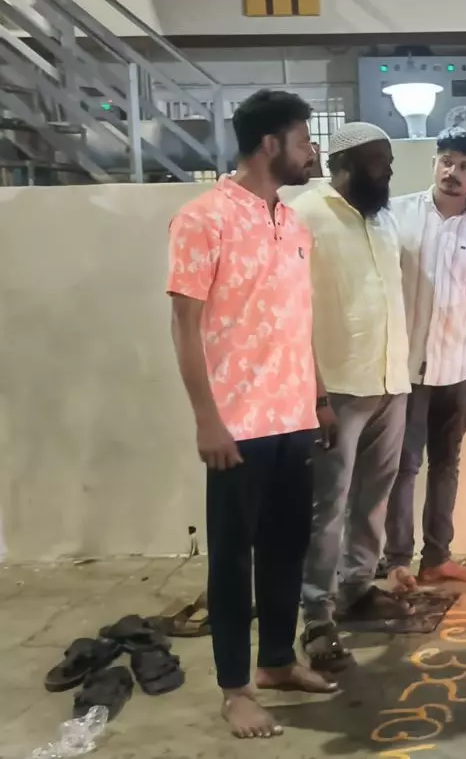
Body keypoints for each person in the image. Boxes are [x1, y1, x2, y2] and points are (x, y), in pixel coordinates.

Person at [166, 89, 338, 739]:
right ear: (271, 144)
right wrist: (206, 419)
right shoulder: (202, 219)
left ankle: (277, 661)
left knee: (287, 548)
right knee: (233, 560)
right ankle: (235, 688)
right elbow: (184, 326)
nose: (311, 151)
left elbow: (298, 320)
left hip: (293, 415)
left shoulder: (293, 223)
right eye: (304, 140)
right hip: (237, 425)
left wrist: (318, 396)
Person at [290, 121, 413, 670]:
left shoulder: (382, 218)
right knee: (328, 506)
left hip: (390, 380)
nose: (389, 170)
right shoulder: (304, 216)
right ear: (345, 164)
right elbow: (292, 311)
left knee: (374, 495)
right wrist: (314, 394)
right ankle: (316, 615)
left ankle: (358, 587)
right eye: (378, 161)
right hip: (336, 386)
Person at [382, 128, 466, 589]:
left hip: (457, 366)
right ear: (434, 163)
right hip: (405, 367)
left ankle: (436, 557)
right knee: (402, 466)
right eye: (446, 161)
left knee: (446, 463)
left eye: (464, 166)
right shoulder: (396, 215)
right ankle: (397, 561)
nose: (452, 172)